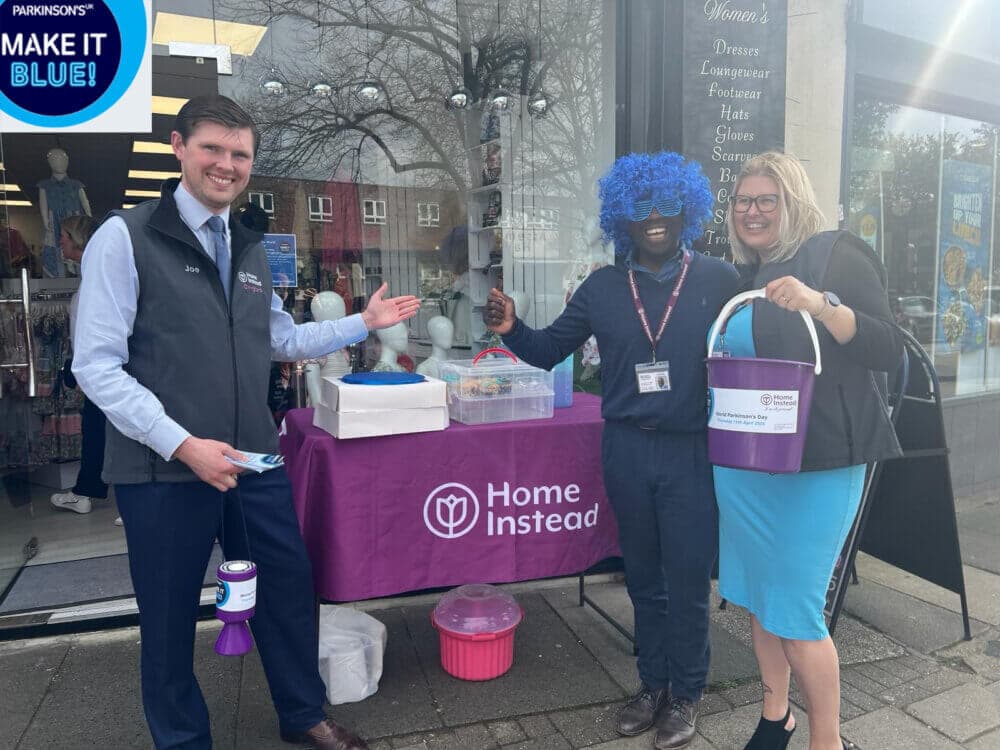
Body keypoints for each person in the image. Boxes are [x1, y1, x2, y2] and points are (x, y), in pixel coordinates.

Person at [73, 94, 420, 750]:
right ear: (179, 147)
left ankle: (303, 715)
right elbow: (95, 367)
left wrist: (362, 323)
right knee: (172, 619)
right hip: (163, 468)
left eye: (240, 154)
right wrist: (182, 445)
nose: (226, 165)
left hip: (253, 459)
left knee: (286, 590)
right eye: (212, 148)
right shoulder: (126, 237)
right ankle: (183, 740)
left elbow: (280, 341)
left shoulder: (251, 248)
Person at [485, 151, 739, 750]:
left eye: (666, 205)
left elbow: (757, 348)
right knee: (643, 578)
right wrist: (512, 329)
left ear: (687, 212)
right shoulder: (602, 288)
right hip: (625, 450)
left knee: (687, 580)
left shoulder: (720, 280)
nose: (654, 218)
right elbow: (549, 350)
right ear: (620, 217)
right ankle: (652, 685)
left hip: (690, 453)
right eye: (639, 207)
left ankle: (688, 693)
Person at [716, 151, 901, 750]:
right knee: (754, 595)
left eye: (766, 200)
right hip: (747, 467)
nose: (752, 211)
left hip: (820, 464)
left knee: (795, 609)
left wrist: (820, 303)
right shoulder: (746, 278)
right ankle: (776, 717)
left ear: (792, 202)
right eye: (743, 201)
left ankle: (828, 740)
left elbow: (887, 346)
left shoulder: (836, 253)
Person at [49, 215, 115, 519]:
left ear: (76, 238)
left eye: (63, 235)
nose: (60, 241)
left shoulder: (100, 272)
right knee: (98, 430)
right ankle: (86, 490)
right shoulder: (92, 271)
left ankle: (96, 492)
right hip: (97, 367)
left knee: (112, 431)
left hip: (108, 368)